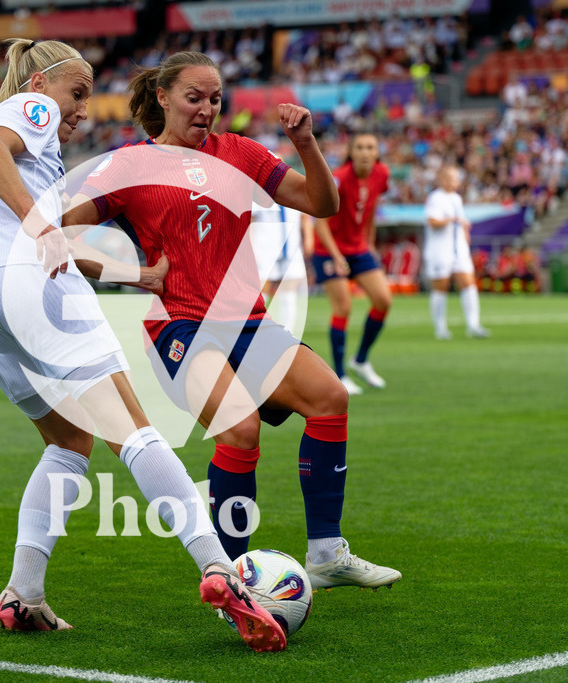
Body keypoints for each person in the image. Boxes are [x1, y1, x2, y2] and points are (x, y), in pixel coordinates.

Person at [0, 38, 286, 651]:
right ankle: (220, 569)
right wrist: (37, 220)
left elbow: (37, 226)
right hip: (24, 283)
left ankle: (24, 594)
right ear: (42, 83)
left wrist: (131, 276)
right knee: (134, 428)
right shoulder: (32, 109)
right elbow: (10, 172)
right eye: (78, 91)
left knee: (69, 442)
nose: (83, 107)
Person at [68, 51, 401, 591]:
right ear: (163, 97)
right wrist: (130, 273)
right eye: (193, 98)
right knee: (240, 429)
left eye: (215, 99)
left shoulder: (240, 152)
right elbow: (61, 229)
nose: (206, 109)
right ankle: (229, 579)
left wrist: (306, 143)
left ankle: (325, 552)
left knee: (330, 399)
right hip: (179, 326)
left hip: (248, 323)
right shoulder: (128, 164)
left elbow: (322, 202)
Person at [310, 133, 392, 395]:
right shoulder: (340, 177)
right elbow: (320, 221)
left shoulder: (382, 174)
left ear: (377, 152)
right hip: (329, 249)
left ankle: (360, 360)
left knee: (383, 300)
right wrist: (336, 256)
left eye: (370, 147)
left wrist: (370, 244)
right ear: (351, 152)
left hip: (358, 249)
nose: (365, 152)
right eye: (360, 147)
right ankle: (340, 375)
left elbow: (371, 208)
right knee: (343, 307)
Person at [424, 166, 490, 340]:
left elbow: (461, 223)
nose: (452, 181)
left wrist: (465, 237)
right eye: (449, 177)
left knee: (468, 283)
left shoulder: (457, 199)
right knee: (441, 286)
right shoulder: (435, 198)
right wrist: (451, 220)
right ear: (441, 179)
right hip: (440, 250)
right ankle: (440, 328)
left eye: (455, 178)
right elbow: (432, 221)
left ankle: (473, 325)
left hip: (458, 249)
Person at [249, 198, 308, 333]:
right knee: (260, 293)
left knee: (289, 293)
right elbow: (249, 221)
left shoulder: (293, 191)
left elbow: (304, 217)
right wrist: (250, 248)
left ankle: (287, 335)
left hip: (291, 250)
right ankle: (251, 331)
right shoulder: (259, 193)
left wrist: (307, 239)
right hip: (264, 250)